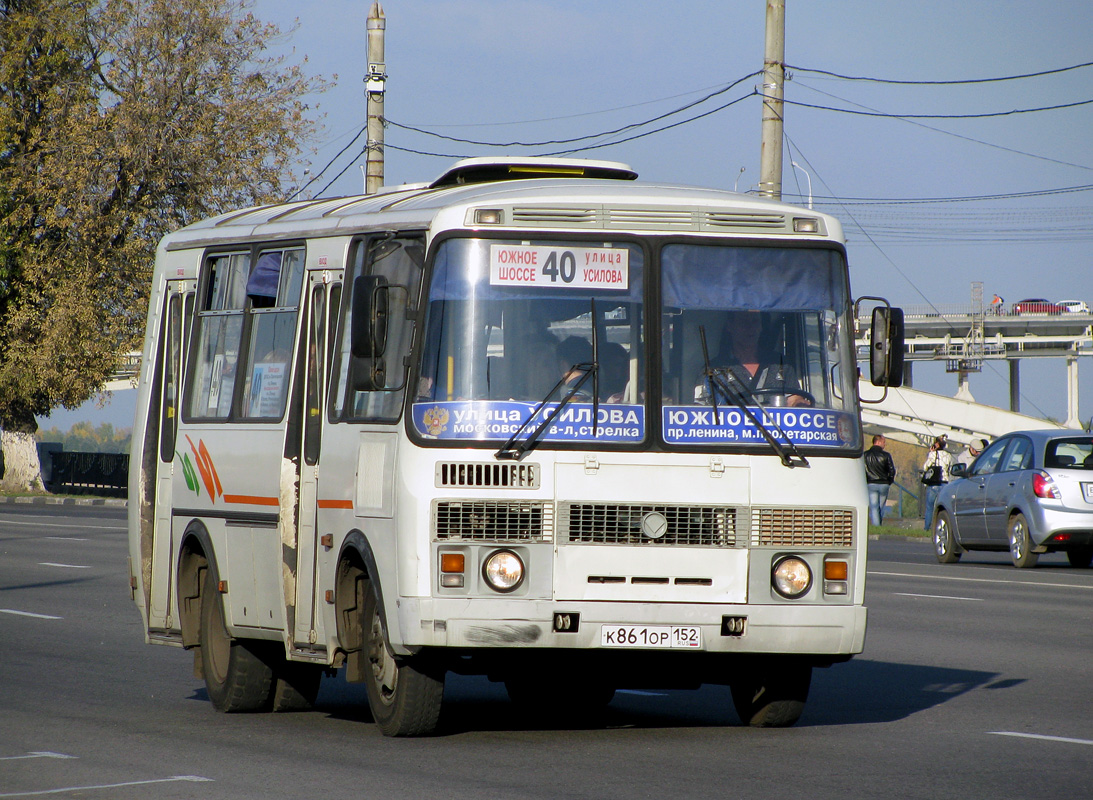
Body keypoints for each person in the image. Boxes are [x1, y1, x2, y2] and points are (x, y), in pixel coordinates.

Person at [698, 310, 811, 407]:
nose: (750, 328)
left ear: (761, 326)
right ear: (730, 326)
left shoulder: (781, 364)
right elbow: (699, 412)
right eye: (744, 322)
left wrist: (799, 403)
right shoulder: (713, 369)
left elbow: (794, 399)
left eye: (755, 322)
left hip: (773, 431)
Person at [921, 435, 956, 529]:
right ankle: (940, 527)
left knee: (930, 507)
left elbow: (925, 467)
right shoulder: (948, 456)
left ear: (936, 444)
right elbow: (950, 470)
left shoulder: (933, 454)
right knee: (942, 507)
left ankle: (927, 528)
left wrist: (931, 452)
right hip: (944, 483)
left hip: (933, 483)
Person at [864, 434, 897, 526]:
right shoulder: (886, 455)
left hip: (871, 483)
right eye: (883, 442)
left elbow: (863, 470)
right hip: (884, 484)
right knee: (881, 507)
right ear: (878, 442)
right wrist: (889, 481)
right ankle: (879, 525)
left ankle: (877, 526)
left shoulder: (865, 455)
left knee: (874, 507)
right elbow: (892, 470)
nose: (884, 444)